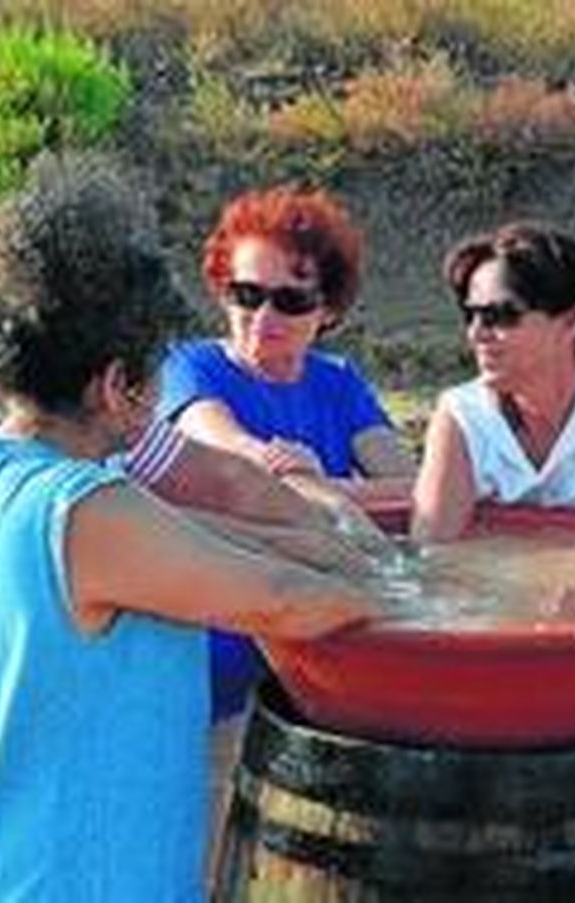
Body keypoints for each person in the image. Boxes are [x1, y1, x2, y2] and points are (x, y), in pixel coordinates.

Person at [0, 155, 382, 901]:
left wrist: (338, 542)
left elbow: (202, 533)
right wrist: (412, 599)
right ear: (116, 386)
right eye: (153, 376)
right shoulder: (91, 510)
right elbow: (284, 598)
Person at [156, 185, 413, 777]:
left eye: (290, 302)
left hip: (315, 667)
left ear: (327, 312)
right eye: (246, 295)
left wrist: (326, 485)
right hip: (208, 671)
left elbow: (407, 489)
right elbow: (230, 453)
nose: (264, 318)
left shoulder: (338, 382)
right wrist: (309, 481)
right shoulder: (191, 367)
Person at [411, 222, 575, 571]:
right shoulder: (462, 415)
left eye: (500, 316)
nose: (477, 334)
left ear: (571, 321)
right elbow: (431, 557)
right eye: (471, 314)